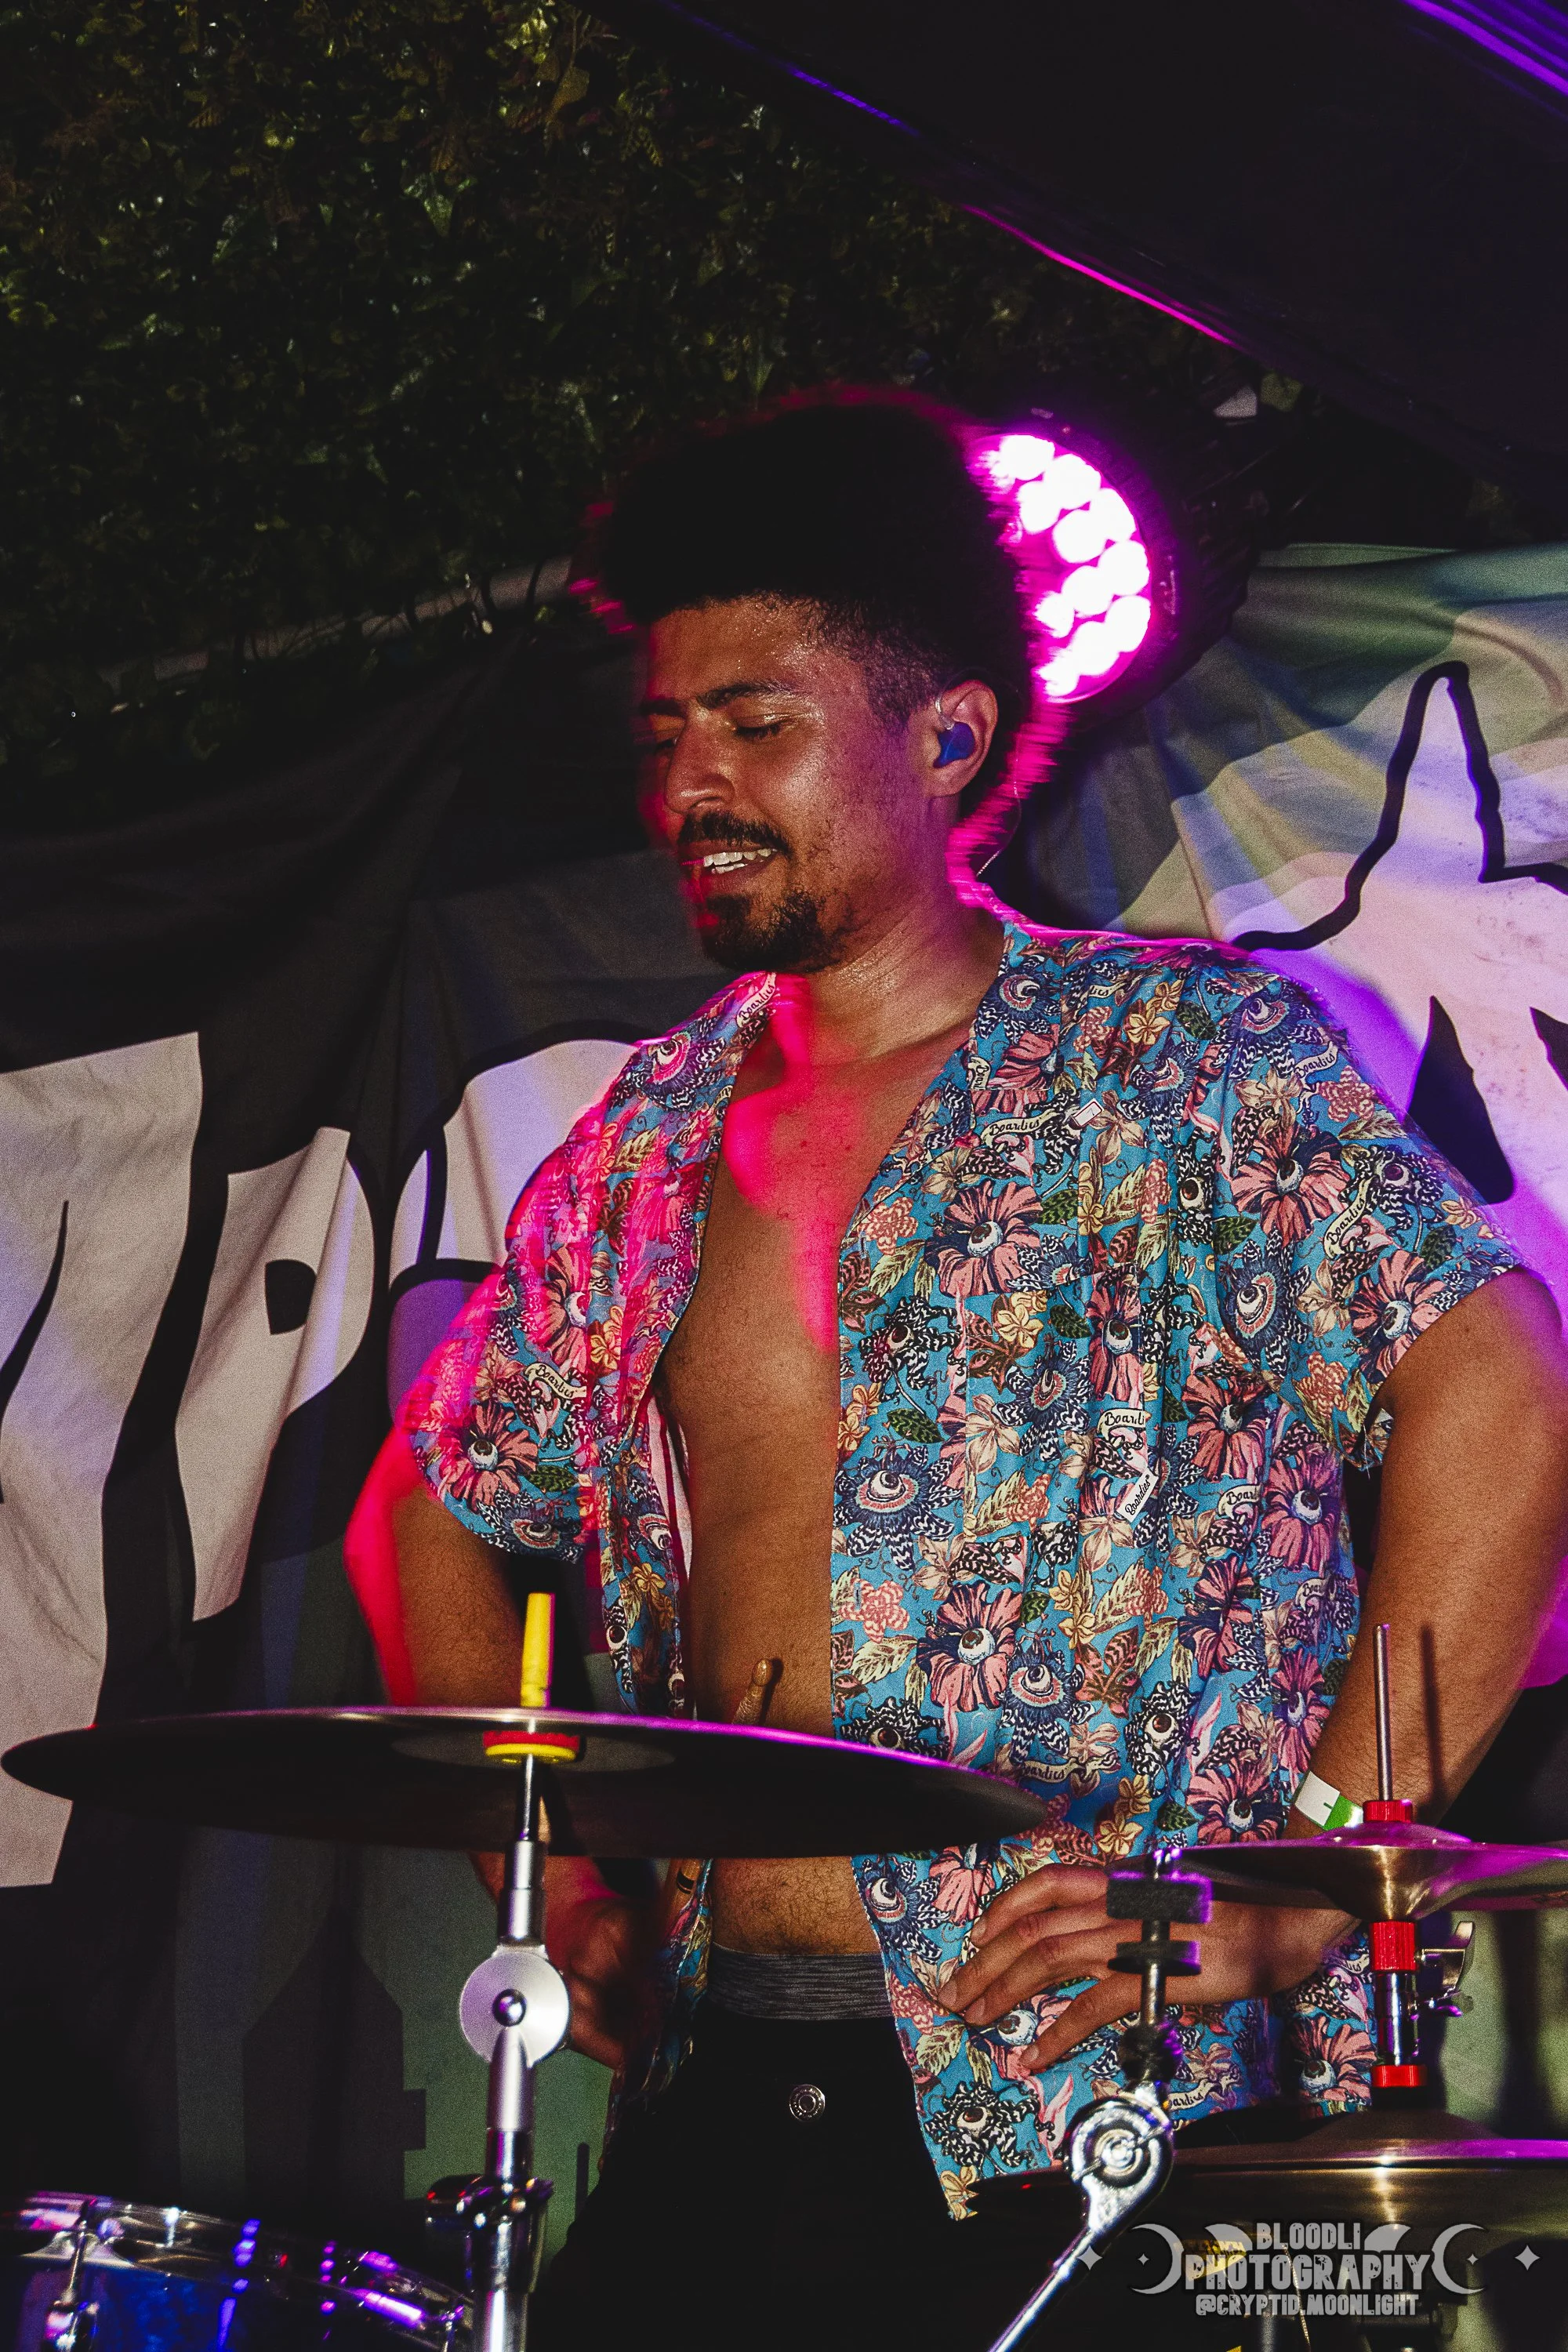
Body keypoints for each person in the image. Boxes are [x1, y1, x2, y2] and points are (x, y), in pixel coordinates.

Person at [354, 393, 1568, 2349]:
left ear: (948, 735)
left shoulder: (1176, 1068)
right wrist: (568, 1864)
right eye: (667, 732)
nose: (692, 784)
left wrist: (1319, 1878)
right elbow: (429, 1507)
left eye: (757, 721)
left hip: (1105, 2103)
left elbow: (1498, 1391)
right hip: (725, 2077)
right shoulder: (643, 1146)